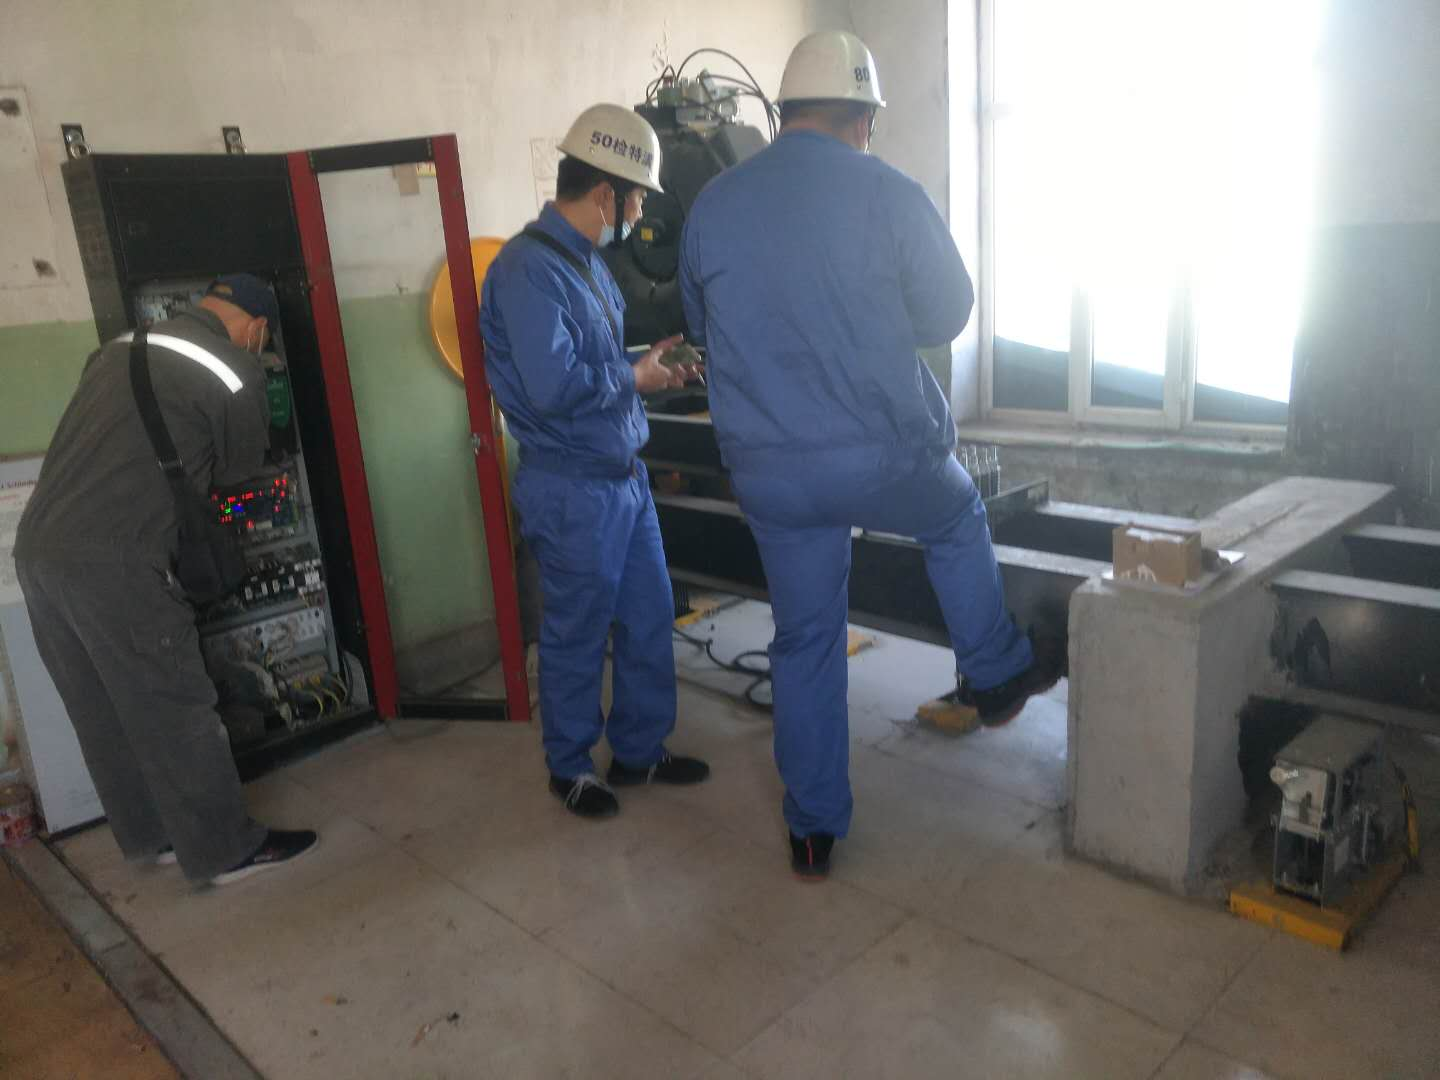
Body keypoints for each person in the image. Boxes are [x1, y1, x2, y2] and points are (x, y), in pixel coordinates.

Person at [679, 32, 1060, 879]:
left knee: (806, 637)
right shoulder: (889, 192)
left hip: (771, 472)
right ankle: (995, 671)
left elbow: (704, 327)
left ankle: (812, 830)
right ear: (862, 117)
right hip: (882, 457)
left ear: (785, 112)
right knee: (955, 514)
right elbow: (948, 313)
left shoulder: (714, 203)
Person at [14, 274, 318, 885]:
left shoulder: (117, 349)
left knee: (101, 704)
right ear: (256, 328)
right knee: (174, 703)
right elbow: (237, 472)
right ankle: (225, 851)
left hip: (38, 550)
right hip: (118, 560)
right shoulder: (236, 368)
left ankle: (153, 836)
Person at [480, 104, 710, 818]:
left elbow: (597, 360)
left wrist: (650, 361)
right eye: (636, 200)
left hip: (623, 479)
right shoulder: (527, 271)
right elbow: (552, 388)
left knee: (648, 616)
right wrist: (633, 377)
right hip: (571, 484)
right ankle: (571, 765)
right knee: (578, 630)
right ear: (607, 193)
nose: (637, 216)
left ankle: (639, 748)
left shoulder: (586, 266)